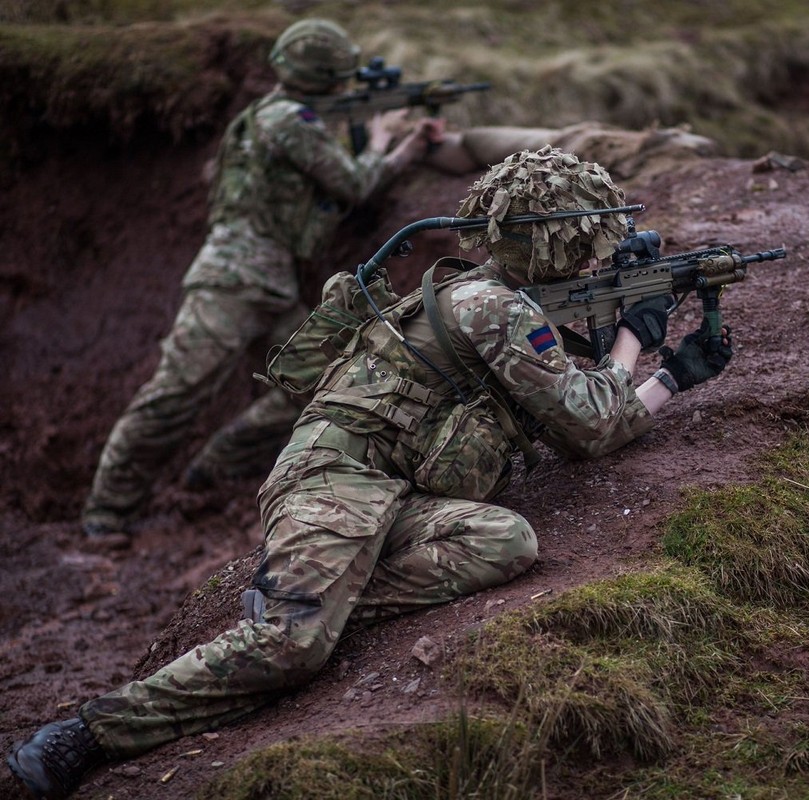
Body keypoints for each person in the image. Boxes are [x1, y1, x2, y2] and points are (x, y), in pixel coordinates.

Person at [8, 146, 733, 799]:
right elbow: (592, 420)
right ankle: (88, 733)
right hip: (336, 474)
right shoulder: (496, 309)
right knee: (291, 649)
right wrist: (642, 344)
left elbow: (582, 421)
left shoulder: (488, 292)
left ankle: (329, 602)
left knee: (506, 540)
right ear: (560, 242)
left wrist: (666, 373)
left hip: (398, 489)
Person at [81, 17, 440, 538]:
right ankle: (106, 512)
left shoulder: (260, 117)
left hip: (267, 282)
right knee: (177, 393)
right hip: (233, 281)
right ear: (327, 76)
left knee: (324, 380)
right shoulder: (291, 120)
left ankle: (218, 462)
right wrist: (392, 144)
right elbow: (355, 183)